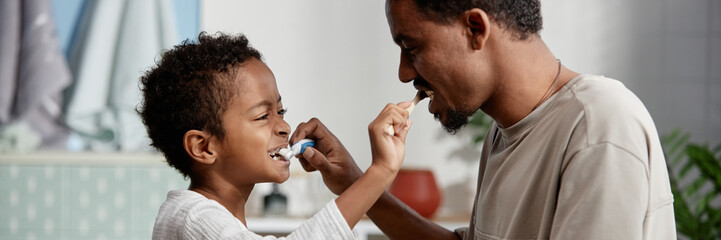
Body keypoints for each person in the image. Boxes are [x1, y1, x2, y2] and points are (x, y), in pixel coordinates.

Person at [290, 0, 677, 239]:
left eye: (412, 48)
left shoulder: (598, 125)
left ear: (475, 29)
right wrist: (355, 183)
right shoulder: (501, 134)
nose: (404, 73)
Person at [139, 32, 414, 239]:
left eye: (281, 111)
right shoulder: (190, 218)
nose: (283, 126)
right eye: (262, 116)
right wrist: (380, 171)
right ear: (203, 147)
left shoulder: (217, 219)